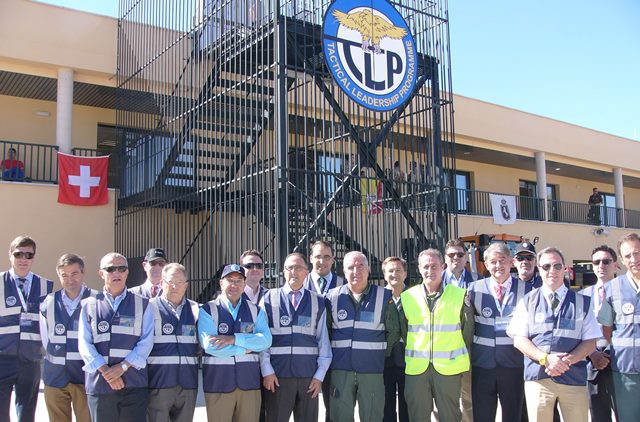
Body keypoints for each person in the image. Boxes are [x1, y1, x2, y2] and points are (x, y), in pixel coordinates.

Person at [508, 247, 599, 422]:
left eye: (557, 266)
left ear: (565, 269)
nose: (552, 271)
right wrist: (546, 359)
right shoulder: (527, 301)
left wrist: (565, 361)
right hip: (538, 378)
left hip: (573, 378)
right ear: (539, 269)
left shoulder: (582, 302)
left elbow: (590, 341)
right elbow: (519, 339)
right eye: (546, 266)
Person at [78, 252, 155, 422]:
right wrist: (107, 372)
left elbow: (147, 342)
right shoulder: (88, 304)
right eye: (111, 269)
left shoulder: (143, 304)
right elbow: (84, 344)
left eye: (122, 268)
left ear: (127, 272)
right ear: (101, 274)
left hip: (134, 383)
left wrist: (123, 367)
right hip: (100, 384)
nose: (117, 273)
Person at [326, 251, 401, 422]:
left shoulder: (384, 296)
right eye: (350, 267)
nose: (356, 271)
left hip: (371, 370)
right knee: (340, 416)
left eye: (360, 266)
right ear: (344, 272)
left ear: (368, 269)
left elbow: (394, 331)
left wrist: (380, 351)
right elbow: (326, 332)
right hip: (341, 369)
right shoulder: (332, 297)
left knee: (372, 416)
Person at [401, 248, 473, 422]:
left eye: (434, 266)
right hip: (417, 370)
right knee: (418, 416)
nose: (430, 271)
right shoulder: (407, 297)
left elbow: (467, 333)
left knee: (450, 416)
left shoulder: (459, 296)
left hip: (448, 370)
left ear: (443, 266)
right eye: (425, 266)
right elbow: (404, 331)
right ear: (419, 268)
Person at [260, 253, 331, 422]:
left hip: (309, 378)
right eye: (289, 267)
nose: (294, 271)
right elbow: (261, 339)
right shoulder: (268, 298)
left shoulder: (318, 301)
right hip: (277, 377)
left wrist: (319, 376)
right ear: (283, 271)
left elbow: (324, 342)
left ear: (307, 272)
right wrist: (266, 371)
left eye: (298, 267)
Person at [198, 264, 272, 422]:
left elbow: (266, 340)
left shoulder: (255, 310)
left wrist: (234, 339)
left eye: (239, 280)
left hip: (249, 384)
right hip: (218, 384)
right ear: (221, 283)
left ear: (244, 284)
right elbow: (211, 346)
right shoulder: (207, 310)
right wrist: (245, 350)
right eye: (230, 280)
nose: (234, 285)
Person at [468, 243, 530, 422]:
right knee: (482, 414)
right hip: (482, 364)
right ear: (486, 265)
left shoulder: (527, 291)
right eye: (493, 262)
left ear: (511, 262)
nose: (498, 266)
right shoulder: (473, 290)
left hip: (514, 363)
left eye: (502, 261)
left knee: (513, 414)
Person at [0, 235, 53, 422]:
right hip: (2, 358)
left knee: (27, 413)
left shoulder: (46, 286)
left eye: (28, 255)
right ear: (10, 255)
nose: (23, 259)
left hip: (31, 359)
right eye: (19, 254)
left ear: (33, 257)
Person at [40, 254, 96, 422]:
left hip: (84, 377)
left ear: (83, 273)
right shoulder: (48, 302)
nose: (69, 279)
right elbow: (45, 338)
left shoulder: (96, 300)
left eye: (74, 274)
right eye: (64, 275)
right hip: (55, 377)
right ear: (58, 276)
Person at [146, 263, 200, 422]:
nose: (175, 286)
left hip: (188, 383)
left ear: (186, 286)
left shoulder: (196, 309)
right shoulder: (149, 308)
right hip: (159, 382)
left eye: (180, 282)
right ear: (162, 283)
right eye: (170, 282)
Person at [598, 233, 640, 422]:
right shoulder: (613, 288)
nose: (634, 259)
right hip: (625, 372)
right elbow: (605, 329)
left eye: (637, 253)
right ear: (621, 260)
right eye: (628, 256)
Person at [304, 240, 344, 420]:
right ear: (311, 258)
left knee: (333, 404)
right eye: (318, 256)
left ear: (333, 259)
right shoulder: (301, 282)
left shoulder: (343, 284)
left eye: (327, 257)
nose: (322, 261)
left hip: (335, 353)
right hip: (306, 352)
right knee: (305, 405)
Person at [581, 245, 618, 422]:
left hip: (621, 358)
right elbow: (578, 331)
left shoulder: (627, 292)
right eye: (596, 262)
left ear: (616, 264)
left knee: (626, 412)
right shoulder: (582, 296)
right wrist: (593, 353)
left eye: (606, 261)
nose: (601, 265)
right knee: (598, 413)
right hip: (592, 359)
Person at [441, 238, 474, 422]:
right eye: (451, 255)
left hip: (467, 349)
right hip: (441, 349)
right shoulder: (435, 281)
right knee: (442, 398)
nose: (456, 258)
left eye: (460, 254)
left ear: (466, 257)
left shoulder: (477, 281)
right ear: (445, 258)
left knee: (468, 397)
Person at [381, 256, 409, 422]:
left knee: (407, 403)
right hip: (386, 358)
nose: (394, 274)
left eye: (398, 270)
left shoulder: (414, 295)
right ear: (385, 275)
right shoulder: (379, 297)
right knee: (387, 404)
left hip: (410, 358)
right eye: (390, 271)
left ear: (405, 273)